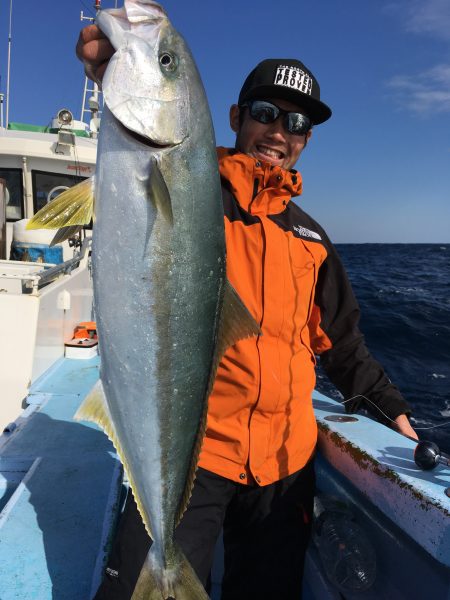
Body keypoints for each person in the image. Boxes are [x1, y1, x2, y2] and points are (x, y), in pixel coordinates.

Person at [77, 25, 418, 600]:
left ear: (306, 140)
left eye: (298, 123)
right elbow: (149, 154)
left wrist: (396, 416)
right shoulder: (191, 194)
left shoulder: (312, 239)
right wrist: (115, 72)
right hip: (197, 455)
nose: (279, 131)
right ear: (236, 116)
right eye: (266, 112)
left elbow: (344, 345)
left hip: (284, 468)